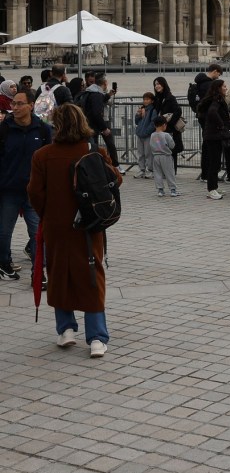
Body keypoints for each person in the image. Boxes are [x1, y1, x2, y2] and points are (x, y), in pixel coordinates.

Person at [28, 103, 122, 358]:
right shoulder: (94, 151)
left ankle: (66, 329)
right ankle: (97, 337)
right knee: (91, 274)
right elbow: (116, 179)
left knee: (59, 273)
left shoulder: (42, 155)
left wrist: (48, 213)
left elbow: (34, 193)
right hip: (89, 224)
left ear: (56, 126)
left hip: (57, 225)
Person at [0, 92, 52, 281]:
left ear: (31, 105)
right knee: (4, 232)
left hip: (34, 192)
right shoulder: (4, 129)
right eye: (13, 103)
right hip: (9, 191)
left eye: (19, 104)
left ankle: (38, 273)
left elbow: (48, 159)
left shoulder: (43, 130)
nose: (14, 107)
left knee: (37, 233)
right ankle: (4, 264)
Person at [197, 79, 230, 200]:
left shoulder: (214, 99)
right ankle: (211, 189)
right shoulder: (217, 99)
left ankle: (214, 187)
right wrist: (221, 125)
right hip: (213, 136)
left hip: (213, 135)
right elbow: (212, 112)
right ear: (219, 88)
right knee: (214, 163)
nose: (226, 88)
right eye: (224, 86)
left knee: (215, 162)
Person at [151, 77, 184, 171]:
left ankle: (171, 172)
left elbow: (178, 111)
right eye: (155, 84)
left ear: (163, 84)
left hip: (169, 130)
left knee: (171, 151)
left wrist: (168, 124)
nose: (157, 86)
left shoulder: (170, 97)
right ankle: (164, 171)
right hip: (160, 130)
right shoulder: (158, 98)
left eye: (158, 84)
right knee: (161, 150)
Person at [149, 115, 178, 197]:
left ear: (155, 125)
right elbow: (172, 145)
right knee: (169, 172)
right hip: (166, 156)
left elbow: (151, 145)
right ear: (164, 125)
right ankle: (173, 190)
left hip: (156, 156)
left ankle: (160, 190)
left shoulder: (152, 135)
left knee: (157, 173)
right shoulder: (166, 135)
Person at [132, 92, 156, 179]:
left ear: (152, 101)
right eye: (144, 99)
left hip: (147, 135)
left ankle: (150, 170)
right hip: (140, 134)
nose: (145, 101)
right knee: (140, 153)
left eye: (147, 99)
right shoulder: (142, 109)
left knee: (148, 153)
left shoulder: (153, 110)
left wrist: (146, 132)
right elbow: (136, 122)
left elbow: (153, 123)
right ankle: (141, 170)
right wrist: (138, 114)